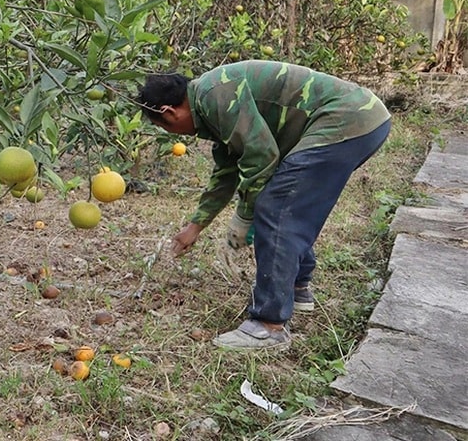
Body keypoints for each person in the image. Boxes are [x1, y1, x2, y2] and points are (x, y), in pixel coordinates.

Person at [136, 60, 391, 349]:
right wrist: (195, 227)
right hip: (361, 119)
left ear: (169, 113)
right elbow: (226, 172)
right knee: (289, 204)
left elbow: (260, 157)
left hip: (348, 120)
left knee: (276, 207)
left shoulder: (215, 95)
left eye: (164, 127)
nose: (174, 134)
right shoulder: (209, 103)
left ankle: (269, 325)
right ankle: (296, 287)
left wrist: (244, 218)